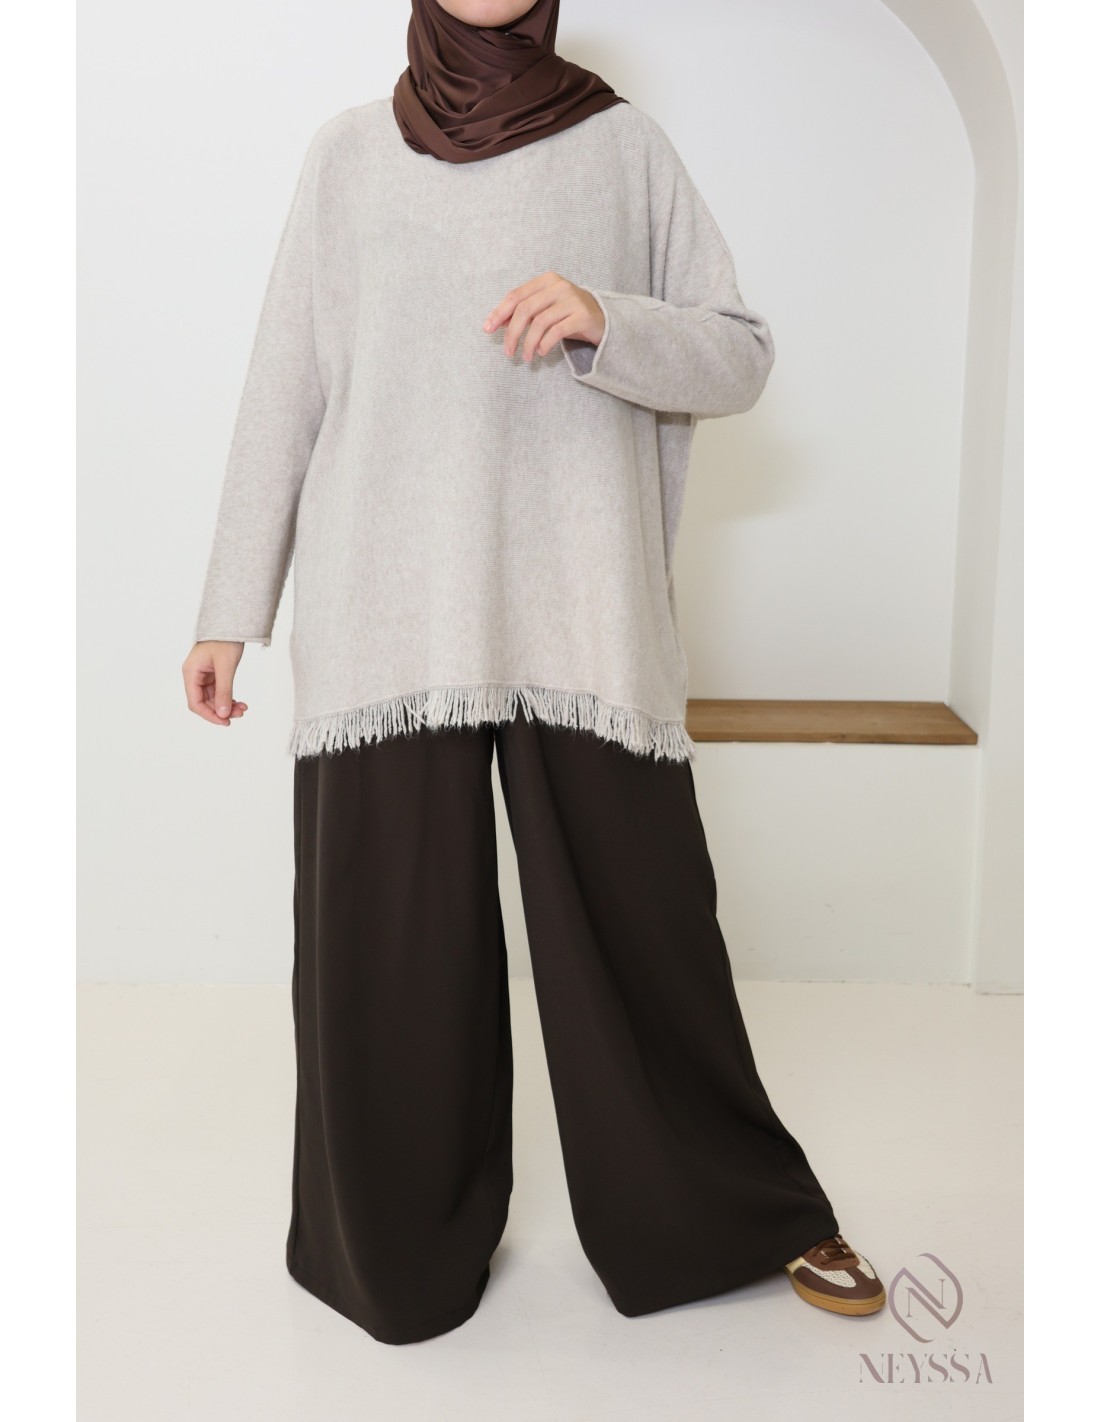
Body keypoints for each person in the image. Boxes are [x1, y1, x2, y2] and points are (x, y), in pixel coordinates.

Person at [182, 0, 886, 1345]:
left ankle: (730, 1213)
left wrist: (605, 317)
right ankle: (386, 1249)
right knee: (388, 952)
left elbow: (740, 352)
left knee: (642, 932)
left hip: (579, 613)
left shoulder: (624, 150)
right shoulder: (345, 157)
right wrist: (231, 608)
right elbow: (286, 384)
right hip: (390, 620)